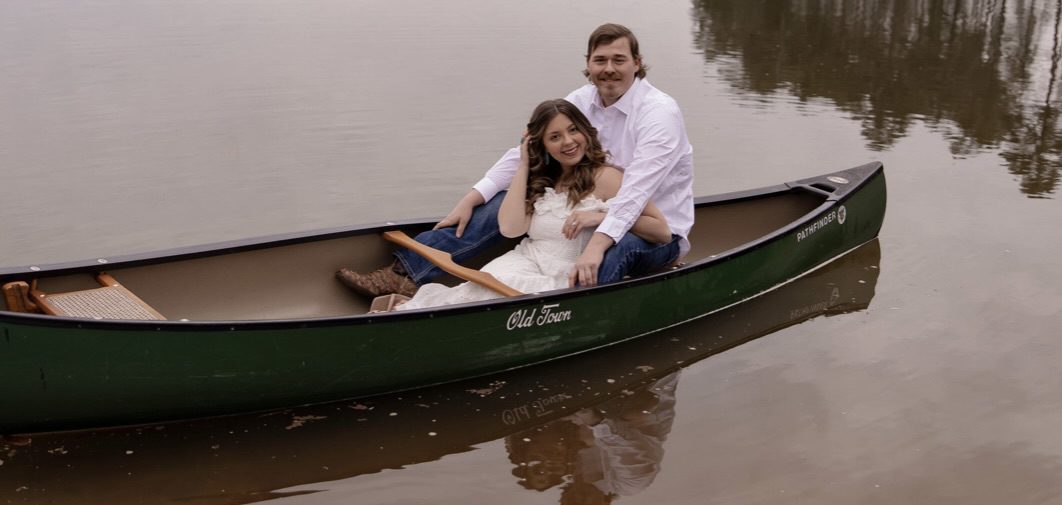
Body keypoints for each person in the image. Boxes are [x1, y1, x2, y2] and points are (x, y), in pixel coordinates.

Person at [337, 23, 694, 298]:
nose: (609, 69)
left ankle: (582, 320)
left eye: (619, 60)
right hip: (583, 207)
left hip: (654, 231)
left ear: (637, 63)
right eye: (600, 60)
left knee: (609, 255)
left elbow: (635, 193)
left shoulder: (658, 114)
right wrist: (472, 197)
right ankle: (405, 275)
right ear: (588, 64)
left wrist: (598, 244)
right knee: (503, 201)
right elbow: (528, 148)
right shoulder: (583, 100)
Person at [394, 99, 670, 311]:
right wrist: (525, 163)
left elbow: (661, 231)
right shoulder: (542, 180)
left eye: (573, 130)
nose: (568, 142)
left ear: (585, 131)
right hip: (523, 261)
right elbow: (510, 229)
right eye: (555, 137)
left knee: (500, 296)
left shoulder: (608, 177)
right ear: (543, 145)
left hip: (562, 275)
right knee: (483, 286)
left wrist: (600, 217)